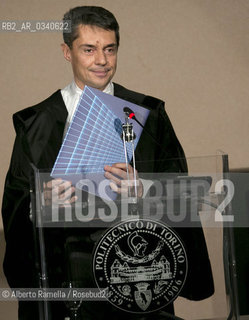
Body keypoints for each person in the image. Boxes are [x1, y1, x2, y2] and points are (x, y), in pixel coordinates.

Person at [2, 6, 214, 320]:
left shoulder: (149, 115)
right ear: (66, 51)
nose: (102, 60)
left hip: (137, 279)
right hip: (70, 284)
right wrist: (40, 202)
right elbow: (15, 203)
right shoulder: (38, 123)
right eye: (89, 49)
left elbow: (181, 189)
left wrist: (145, 188)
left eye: (109, 49)